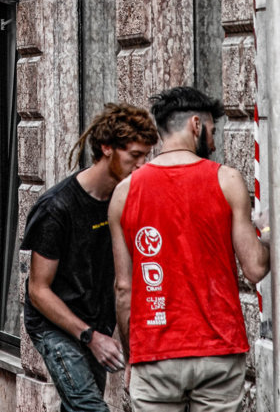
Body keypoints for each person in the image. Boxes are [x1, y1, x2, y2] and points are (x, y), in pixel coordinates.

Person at [109, 86, 272, 412]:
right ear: (196, 125)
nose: (212, 142)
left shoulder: (124, 192)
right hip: (218, 352)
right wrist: (268, 231)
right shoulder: (226, 180)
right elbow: (255, 268)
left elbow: (124, 289)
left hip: (154, 355)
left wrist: (132, 358)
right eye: (212, 131)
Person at [22, 104, 158, 412]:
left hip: (98, 320)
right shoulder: (57, 208)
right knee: (90, 408)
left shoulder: (128, 199)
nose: (141, 164)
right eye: (134, 155)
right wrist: (90, 337)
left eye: (145, 156)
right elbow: (38, 290)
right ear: (106, 148)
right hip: (55, 326)